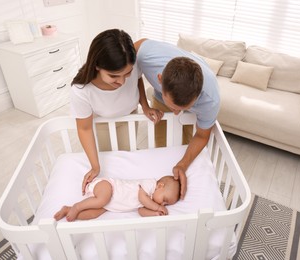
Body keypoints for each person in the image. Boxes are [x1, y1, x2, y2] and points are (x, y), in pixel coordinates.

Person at [70, 29, 163, 195]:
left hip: (130, 114)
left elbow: (138, 79)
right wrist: (95, 166)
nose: (121, 81)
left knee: (126, 154)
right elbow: (84, 128)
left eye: (126, 74)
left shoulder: (131, 66)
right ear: (97, 66)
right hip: (104, 122)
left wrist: (145, 105)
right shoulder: (82, 90)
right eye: (114, 76)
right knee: (110, 159)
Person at [135, 39, 220, 200]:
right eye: (173, 106)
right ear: (159, 79)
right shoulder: (146, 55)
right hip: (163, 89)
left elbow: (202, 136)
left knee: (186, 142)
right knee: (161, 140)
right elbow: (133, 71)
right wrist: (144, 105)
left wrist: (182, 164)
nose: (176, 113)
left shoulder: (210, 101)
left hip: (195, 91)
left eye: (182, 108)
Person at [54, 175, 181, 221]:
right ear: (160, 186)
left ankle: (67, 210)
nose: (163, 204)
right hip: (109, 187)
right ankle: (77, 206)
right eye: (165, 200)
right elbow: (142, 198)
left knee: (93, 214)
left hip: (110, 205)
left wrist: (155, 214)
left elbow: (141, 212)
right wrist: (157, 206)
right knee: (102, 199)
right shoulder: (150, 184)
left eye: (166, 205)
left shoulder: (149, 202)